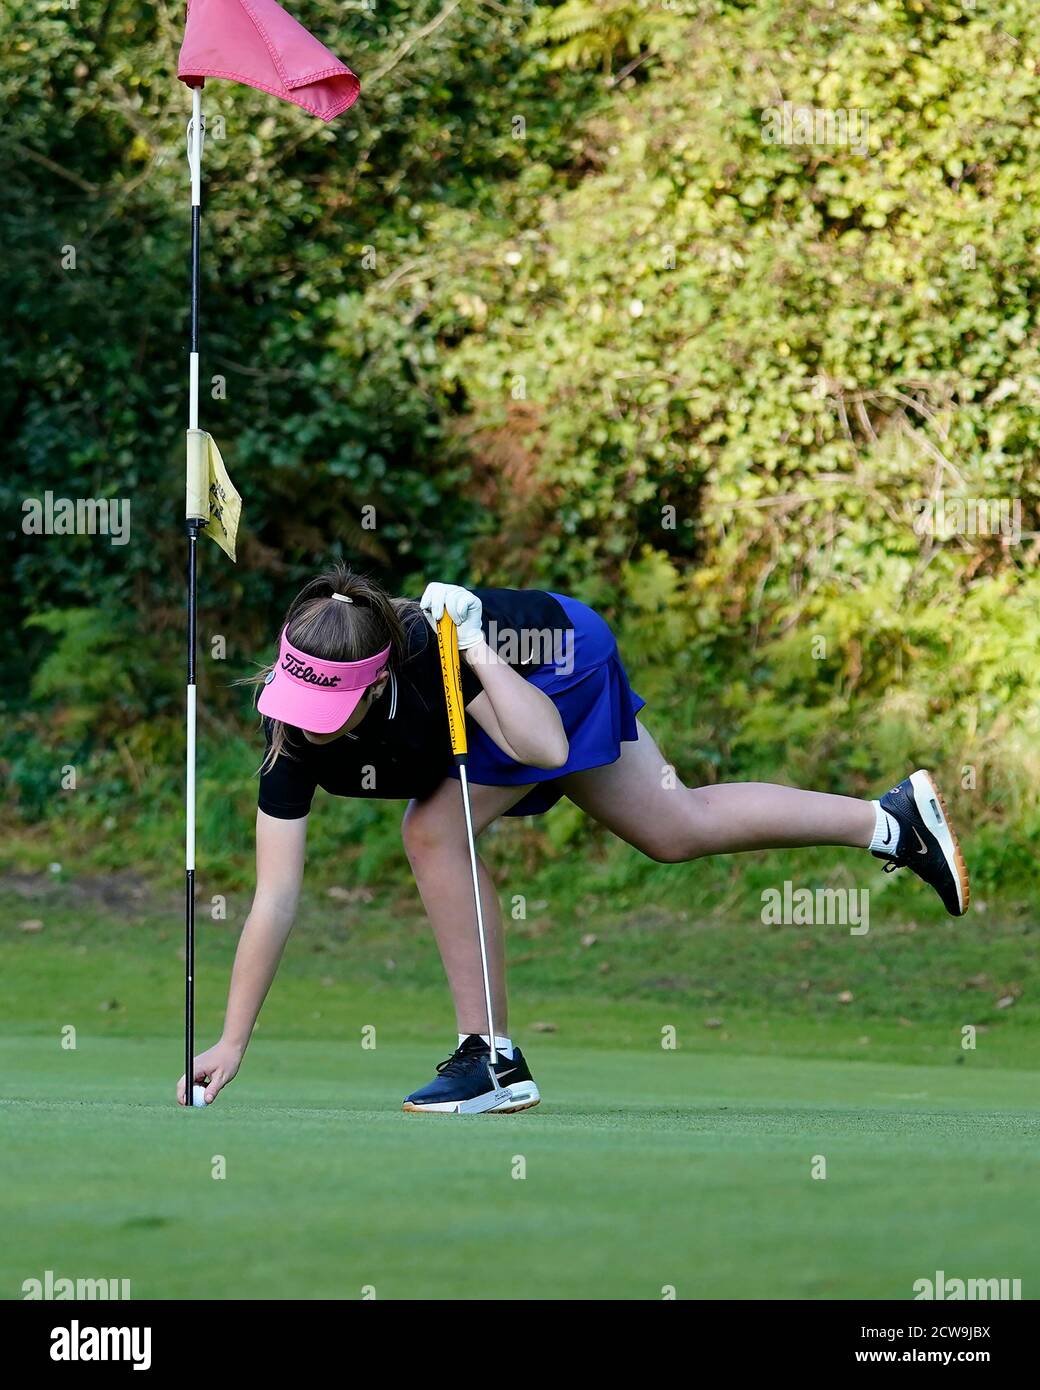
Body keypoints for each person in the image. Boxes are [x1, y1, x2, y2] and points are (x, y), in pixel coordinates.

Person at [176, 564, 970, 1115]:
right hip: (520, 699)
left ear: (377, 680)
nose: (308, 724)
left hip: (553, 660)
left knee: (430, 829)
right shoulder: (292, 737)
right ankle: (892, 820)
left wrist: (475, 647)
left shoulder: (433, 663)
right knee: (673, 826)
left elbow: (545, 749)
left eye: (328, 707)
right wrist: (232, 1040)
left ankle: (489, 1057)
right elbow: (275, 898)